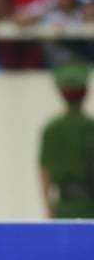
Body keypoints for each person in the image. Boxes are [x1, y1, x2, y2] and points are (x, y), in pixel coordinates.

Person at [39, 61, 94, 218]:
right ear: (86, 91)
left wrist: (49, 209)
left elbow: (44, 172)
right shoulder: (90, 127)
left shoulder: (51, 129)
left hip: (62, 208)